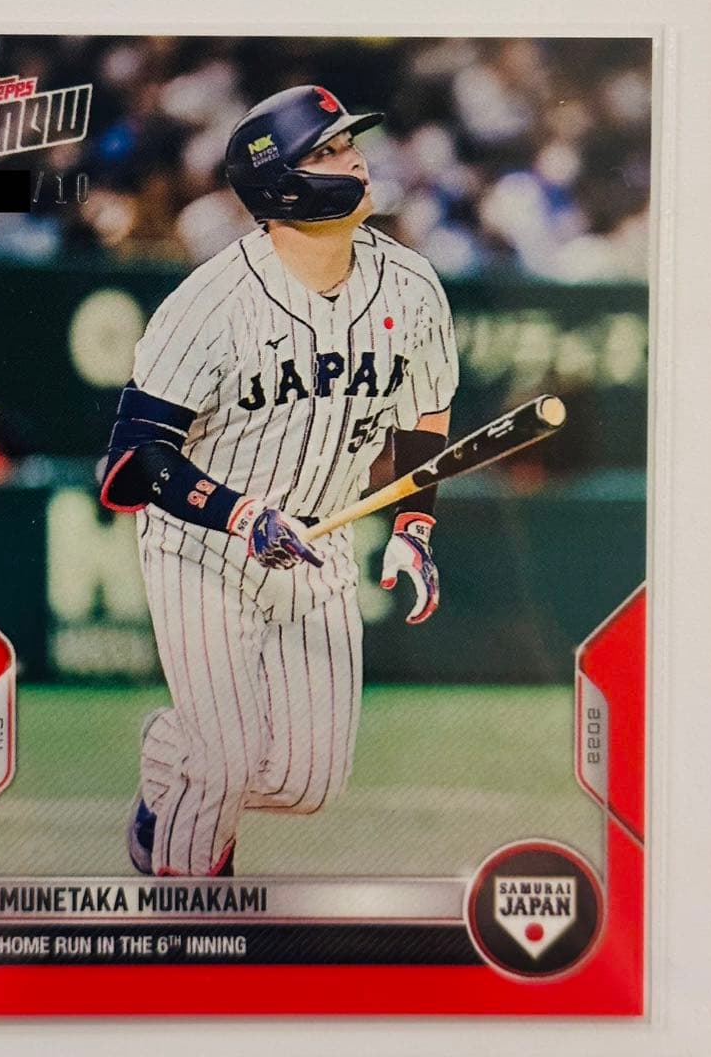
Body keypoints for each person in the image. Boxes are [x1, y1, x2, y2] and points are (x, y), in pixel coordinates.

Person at [100, 84, 459, 877]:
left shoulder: (410, 286)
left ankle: (172, 759)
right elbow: (133, 460)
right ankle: (185, 925)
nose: (354, 160)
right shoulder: (208, 306)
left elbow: (424, 414)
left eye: (349, 143)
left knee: (305, 786)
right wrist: (241, 516)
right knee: (223, 765)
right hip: (204, 548)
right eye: (327, 151)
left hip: (319, 544)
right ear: (281, 184)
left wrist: (413, 526)